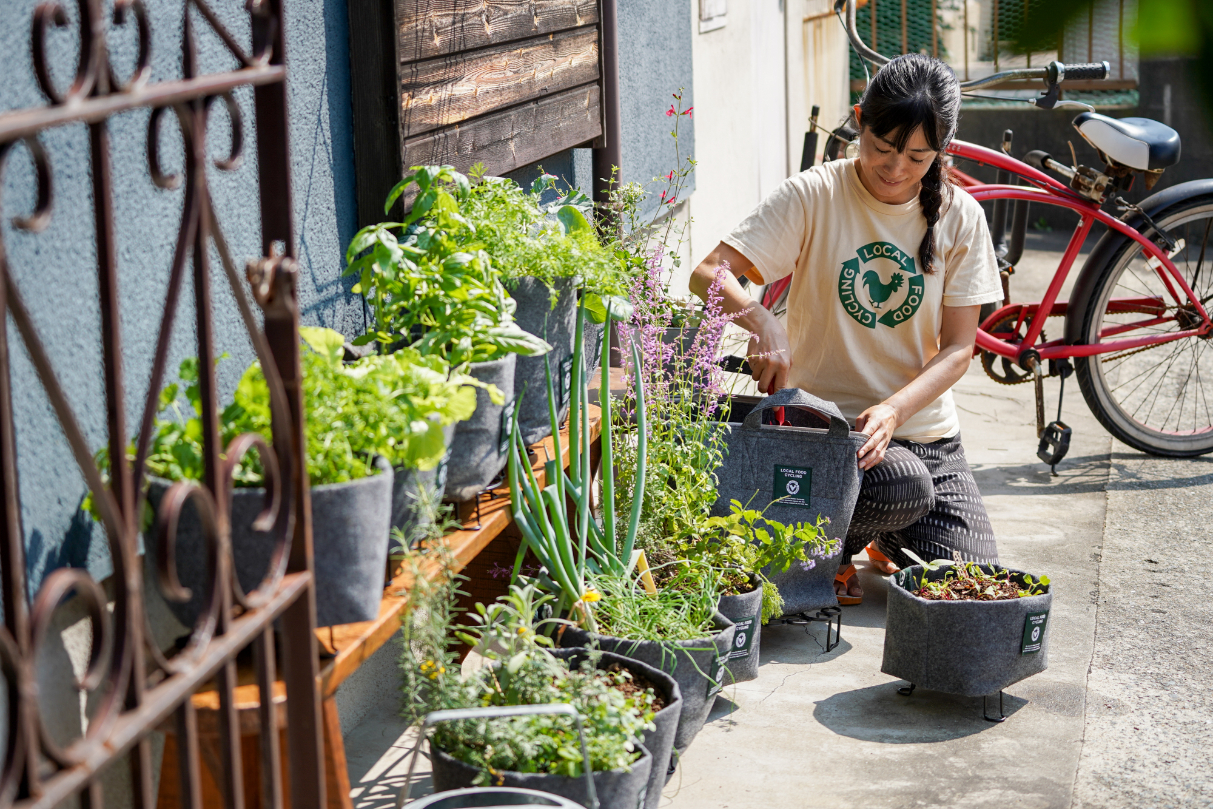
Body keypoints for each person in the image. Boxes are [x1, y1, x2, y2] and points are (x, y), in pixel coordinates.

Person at [688, 53, 1002, 605]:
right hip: (826, 431)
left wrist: (896, 409)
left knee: (971, 587)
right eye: (882, 147)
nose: (897, 167)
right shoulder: (814, 194)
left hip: (925, 437)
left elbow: (958, 349)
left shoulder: (960, 215)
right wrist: (760, 317)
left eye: (918, 156)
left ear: (942, 150)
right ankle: (835, 547)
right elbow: (708, 272)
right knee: (904, 486)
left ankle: (874, 531)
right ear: (860, 119)